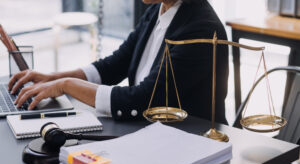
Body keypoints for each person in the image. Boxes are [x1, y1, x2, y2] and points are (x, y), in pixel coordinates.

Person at [9, 0, 229, 123]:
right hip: (152, 135)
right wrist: (52, 77)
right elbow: (115, 65)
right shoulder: (158, 10)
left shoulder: (201, 28)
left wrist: (65, 85)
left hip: (191, 153)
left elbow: (146, 99)